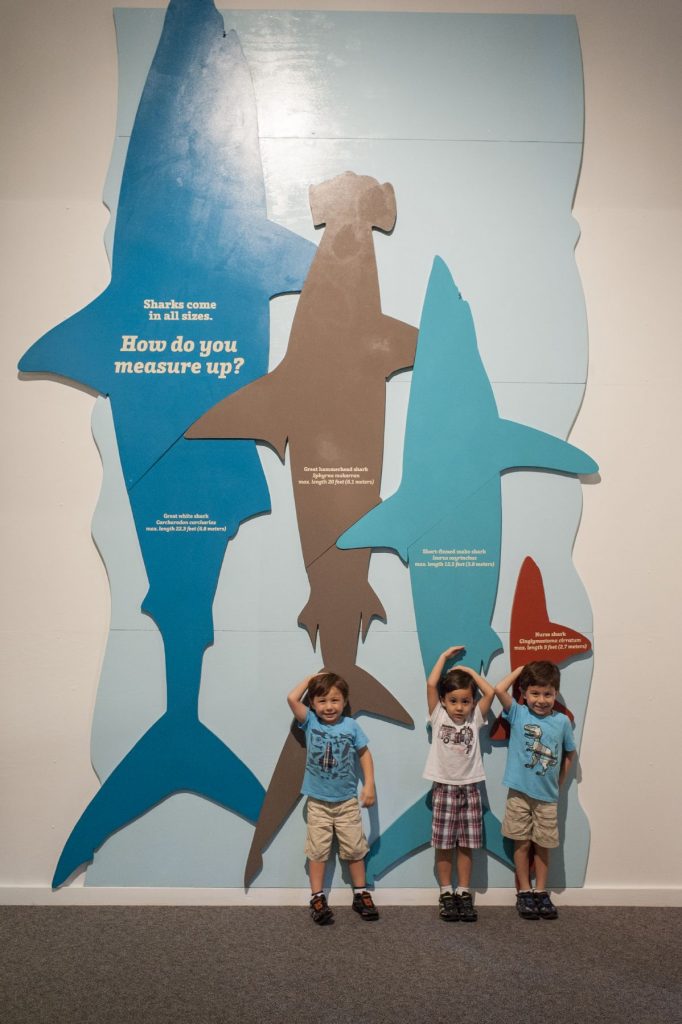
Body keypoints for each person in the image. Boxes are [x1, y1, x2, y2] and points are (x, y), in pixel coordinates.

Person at [287, 670, 379, 925]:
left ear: (345, 701)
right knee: (317, 852)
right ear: (313, 704)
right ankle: (317, 897)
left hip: (347, 802)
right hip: (317, 802)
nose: (329, 707)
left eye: (335, 700)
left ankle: (361, 893)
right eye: (322, 701)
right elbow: (292, 698)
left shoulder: (351, 726)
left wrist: (369, 784)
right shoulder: (310, 722)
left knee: (355, 850)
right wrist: (312, 678)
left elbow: (364, 754)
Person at [495, 661, 576, 920]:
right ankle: (524, 892)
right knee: (522, 842)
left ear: (555, 694)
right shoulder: (518, 714)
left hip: (547, 797)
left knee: (543, 845)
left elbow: (568, 754)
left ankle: (542, 891)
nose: (541, 700)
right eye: (535, 693)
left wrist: (559, 783)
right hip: (519, 793)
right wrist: (521, 669)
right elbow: (498, 689)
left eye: (548, 694)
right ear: (524, 693)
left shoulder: (562, 721)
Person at [424, 645, 495, 922]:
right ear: (443, 700)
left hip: (470, 789)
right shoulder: (438, 715)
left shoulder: (475, 718)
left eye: (465, 701)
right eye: (454, 701)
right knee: (444, 844)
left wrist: (468, 672)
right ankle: (445, 892)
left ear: (472, 703)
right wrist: (443, 658)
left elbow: (489, 693)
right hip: (443, 789)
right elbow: (431, 683)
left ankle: (463, 892)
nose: (459, 707)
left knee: (466, 843)